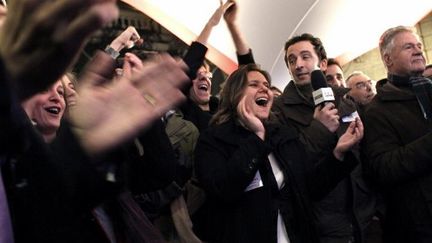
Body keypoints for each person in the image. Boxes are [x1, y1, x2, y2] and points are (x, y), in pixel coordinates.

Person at [194, 63, 363, 243]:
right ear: (235, 93)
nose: (264, 90)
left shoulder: (282, 134)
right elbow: (222, 190)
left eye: (266, 86)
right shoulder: (213, 140)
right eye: (254, 85)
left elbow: (310, 188)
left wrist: (338, 154)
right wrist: (257, 138)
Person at [361, 26, 432, 243]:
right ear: (388, 59)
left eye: (419, 46)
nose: (418, 50)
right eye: (408, 47)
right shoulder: (377, 110)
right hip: (420, 225)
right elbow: (383, 168)